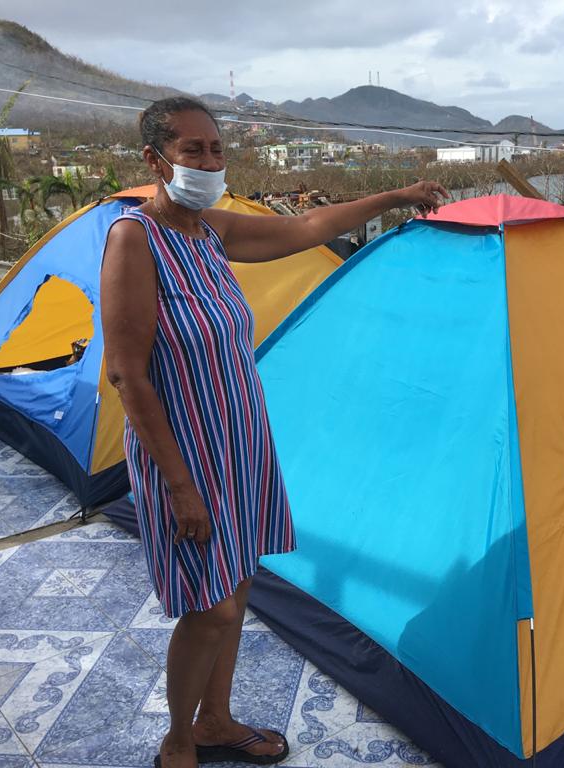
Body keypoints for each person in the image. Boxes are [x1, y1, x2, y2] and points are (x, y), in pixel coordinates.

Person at [101, 96, 448, 768]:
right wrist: (179, 487)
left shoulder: (211, 232)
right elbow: (128, 377)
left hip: (238, 444)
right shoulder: (135, 240)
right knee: (213, 609)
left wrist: (395, 197)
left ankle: (218, 720)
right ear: (154, 160)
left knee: (239, 586)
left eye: (216, 150)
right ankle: (179, 738)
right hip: (184, 459)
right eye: (191, 150)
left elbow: (311, 225)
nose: (208, 162)